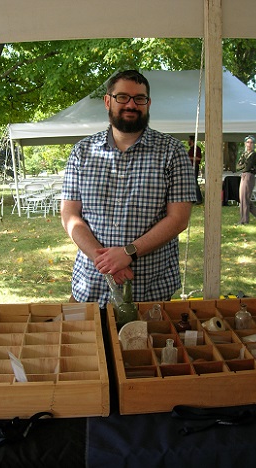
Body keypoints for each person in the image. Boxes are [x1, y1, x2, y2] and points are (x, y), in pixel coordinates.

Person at [60, 70, 197, 309]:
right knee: (86, 346)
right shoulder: (82, 152)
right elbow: (70, 215)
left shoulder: (172, 152)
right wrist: (103, 261)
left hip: (150, 289)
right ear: (107, 101)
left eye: (139, 99)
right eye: (122, 97)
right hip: (91, 285)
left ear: (148, 103)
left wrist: (128, 252)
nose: (131, 105)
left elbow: (178, 219)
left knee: (144, 347)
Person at [235, 135, 256, 224]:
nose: (249, 144)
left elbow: (248, 166)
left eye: (251, 142)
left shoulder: (253, 154)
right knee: (242, 198)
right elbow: (237, 166)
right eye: (248, 142)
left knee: (245, 198)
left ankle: (244, 220)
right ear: (245, 143)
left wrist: (243, 166)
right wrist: (243, 166)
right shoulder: (244, 154)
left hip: (249, 176)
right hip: (243, 175)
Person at [188, 135, 203, 204]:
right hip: (189, 167)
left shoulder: (196, 149)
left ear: (192, 141)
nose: (188, 141)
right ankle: (193, 198)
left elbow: (198, 158)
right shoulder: (190, 149)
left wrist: (189, 158)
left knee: (194, 182)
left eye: (189, 140)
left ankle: (199, 199)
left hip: (194, 166)